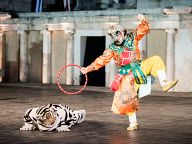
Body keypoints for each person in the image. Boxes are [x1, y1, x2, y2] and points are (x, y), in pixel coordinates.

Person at [81, 14, 178, 131]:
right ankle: (133, 123)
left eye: (117, 33)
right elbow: (101, 60)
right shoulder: (112, 48)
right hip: (126, 74)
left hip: (139, 67)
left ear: (122, 32)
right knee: (127, 98)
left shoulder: (133, 37)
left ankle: (164, 83)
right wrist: (88, 68)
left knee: (156, 60)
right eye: (113, 35)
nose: (115, 37)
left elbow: (143, 29)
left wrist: (143, 20)